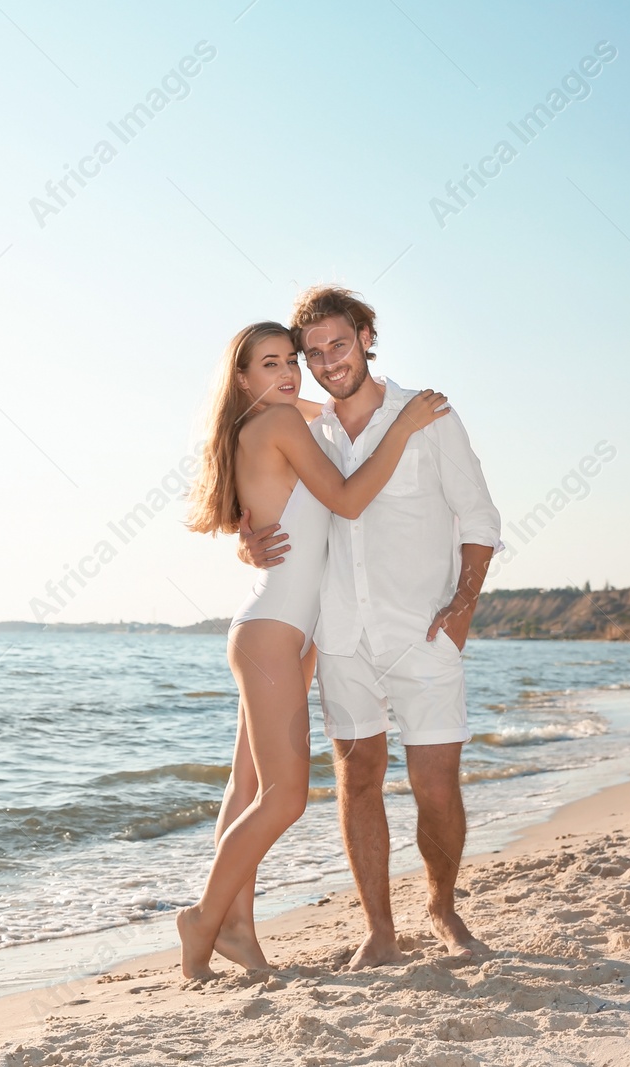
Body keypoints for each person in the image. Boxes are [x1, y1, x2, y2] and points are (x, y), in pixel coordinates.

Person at [238, 286, 503, 969]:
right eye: (315, 351)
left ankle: (442, 908)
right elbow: (277, 503)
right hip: (342, 636)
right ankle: (379, 929)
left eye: (340, 345)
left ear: (365, 336)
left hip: (422, 633)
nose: (329, 362)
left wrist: (462, 610)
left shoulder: (429, 415)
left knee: (436, 784)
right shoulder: (309, 430)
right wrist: (247, 539)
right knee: (358, 781)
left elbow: (479, 521)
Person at [179, 320, 449, 980]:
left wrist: (306, 396)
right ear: (241, 378)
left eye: (290, 361)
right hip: (274, 631)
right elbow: (350, 500)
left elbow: (322, 409)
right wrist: (404, 426)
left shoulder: (266, 421)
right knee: (285, 797)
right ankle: (203, 918)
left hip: (278, 630)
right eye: (268, 364)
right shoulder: (278, 427)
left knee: (247, 785)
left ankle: (236, 926)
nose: (287, 373)